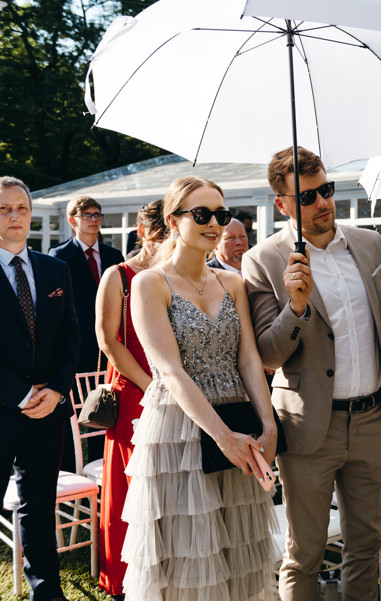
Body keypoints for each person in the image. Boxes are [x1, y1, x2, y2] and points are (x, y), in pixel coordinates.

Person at [242, 146, 381, 601]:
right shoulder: (263, 260)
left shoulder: (369, 242)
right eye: (308, 197)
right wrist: (295, 305)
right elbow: (268, 354)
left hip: (375, 419)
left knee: (367, 544)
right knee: (306, 552)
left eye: (326, 191)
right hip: (310, 427)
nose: (323, 203)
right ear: (283, 205)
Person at [120, 176, 279, 600]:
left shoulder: (232, 283)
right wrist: (221, 435)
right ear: (173, 220)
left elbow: (248, 359)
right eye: (202, 214)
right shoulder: (148, 284)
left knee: (237, 553)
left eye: (221, 215)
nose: (215, 224)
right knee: (187, 556)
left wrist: (269, 422)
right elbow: (169, 371)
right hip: (179, 428)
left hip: (237, 418)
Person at [1, 176, 80, 601]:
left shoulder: (55, 269)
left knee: (38, 507)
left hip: (48, 411)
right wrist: (20, 393)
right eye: (4, 209)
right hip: (1, 408)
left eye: (22, 208)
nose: (15, 216)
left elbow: (72, 336)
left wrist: (57, 390)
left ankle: (48, 593)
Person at [94, 200, 167, 599]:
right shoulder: (117, 275)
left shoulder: (173, 276)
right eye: (160, 238)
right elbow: (107, 339)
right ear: (143, 233)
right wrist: (150, 386)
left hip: (172, 390)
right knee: (130, 490)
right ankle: (127, 582)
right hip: (134, 391)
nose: (166, 245)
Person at [50, 195, 125, 470]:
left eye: (97, 215)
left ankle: (101, 466)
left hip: (110, 347)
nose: (94, 220)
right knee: (71, 418)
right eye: (87, 215)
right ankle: (69, 473)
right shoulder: (59, 257)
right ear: (73, 221)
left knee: (103, 411)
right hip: (75, 347)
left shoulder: (114, 257)